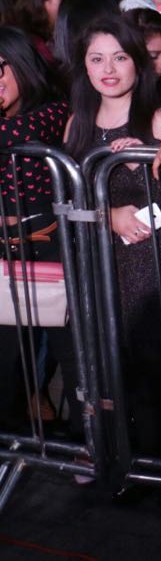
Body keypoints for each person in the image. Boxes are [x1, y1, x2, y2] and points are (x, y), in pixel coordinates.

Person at [64, 15, 161, 460]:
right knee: (106, 370)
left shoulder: (158, 119)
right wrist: (108, 215)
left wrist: (149, 168)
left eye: (120, 57)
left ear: (137, 64)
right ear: (84, 67)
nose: (108, 68)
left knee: (155, 373)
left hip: (150, 270)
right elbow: (66, 208)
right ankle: (119, 458)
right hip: (97, 270)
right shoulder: (76, 126)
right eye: (97, 58)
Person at [0, 27, 79, 430]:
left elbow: (18, 136)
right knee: (8, 357)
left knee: (73, 350)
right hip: (5, 251)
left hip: (51, 244)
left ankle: (92, 448)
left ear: (20, 64)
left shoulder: (50, 111)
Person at [10, 0, 67, 64]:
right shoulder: (30, 43)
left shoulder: (51, 34)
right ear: (41, 0)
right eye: (63, 0)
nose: (68, 4)